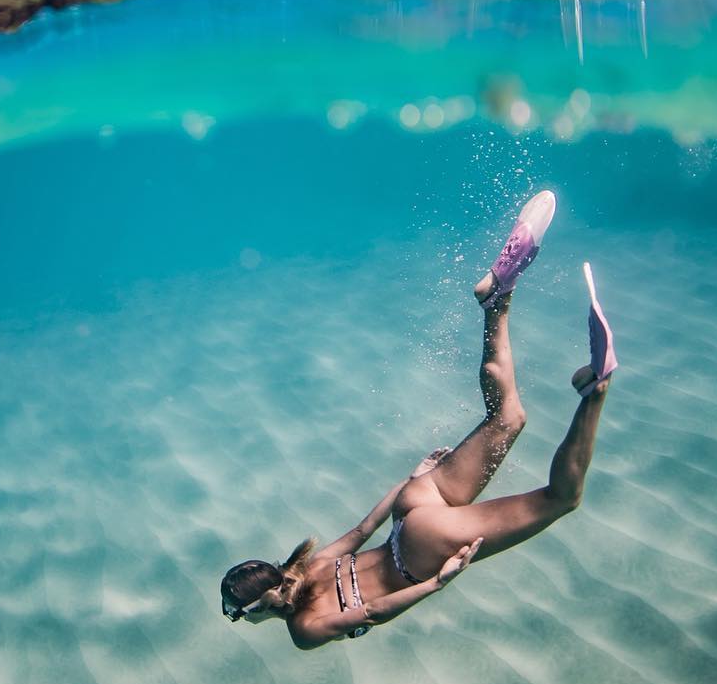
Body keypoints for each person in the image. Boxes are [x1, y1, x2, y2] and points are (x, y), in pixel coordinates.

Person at [220, 192, 619, 650]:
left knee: (561, 498)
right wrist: (411, 482)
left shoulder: (303, 631)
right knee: (505, 418)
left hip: (422, 551)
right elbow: (362, 530)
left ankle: (595, 393)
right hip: (410, 509)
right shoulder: (307, 566)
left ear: (259, 606)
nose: (241, 619)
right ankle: (497, 301)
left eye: (238, 613)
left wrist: (436, 583)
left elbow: (370, 612)